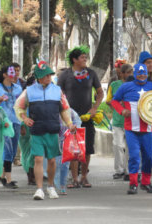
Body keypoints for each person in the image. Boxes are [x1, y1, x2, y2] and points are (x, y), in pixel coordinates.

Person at [14, 61, 76, 200]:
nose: (48, 78)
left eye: (49, 75)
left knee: (52, 160)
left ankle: (51, 186)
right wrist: (24, 118)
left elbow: (65, 109)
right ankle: (39, 189)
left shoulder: (57, 91)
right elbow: (18, 106)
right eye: (45, 76)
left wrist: (70, 123)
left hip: (53, 130)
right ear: (38, 77)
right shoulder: (29, 91)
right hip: (36, 130)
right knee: (38, 159)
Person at [111, 63, 152, 195]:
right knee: (133, 157)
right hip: (131, 129)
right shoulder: (126, 87)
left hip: (148, 129)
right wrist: (122, 111)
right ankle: (133, 184)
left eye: (144, 73)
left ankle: (146, 182)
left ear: (147, 73)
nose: (142, 75)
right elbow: (114, 101)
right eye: (139, 73)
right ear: (134, 74)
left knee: (148, 158)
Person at [57, 45, 104, 188]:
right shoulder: (64, 75)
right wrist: (64, 111)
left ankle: (84, 176)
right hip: (70, 118)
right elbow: (59, 94)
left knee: (87, 148)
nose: (85, 60)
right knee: (73, 148)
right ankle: (74, 178)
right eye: (82, 57)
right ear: (74, 59)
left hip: (87, 116)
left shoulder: (91, 74)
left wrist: (95, 108)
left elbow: (100, 92)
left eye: (85, 57)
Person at [0, 66, 22, 189]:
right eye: (12, 72)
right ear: (5, 75)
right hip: (3, 123)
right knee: (7, 149)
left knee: (13, 149)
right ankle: (9, 179)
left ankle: (2, 175)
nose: (15, 74)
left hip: (16, 121)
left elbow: (22, 105)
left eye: (16, 72)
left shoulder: (18, 88)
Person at [106, 64, 133, 180]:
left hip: (131, 121)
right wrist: (117, 110)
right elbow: (109, 101)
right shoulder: (114, 85)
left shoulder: (135, 85)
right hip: (117, 121)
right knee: (117, 145)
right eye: (126, 72)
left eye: (130, 72)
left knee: (129, 147)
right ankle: (119, 170)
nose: (128, 75)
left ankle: (128, 171)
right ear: (120, 74)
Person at [54, 108, 82, 195]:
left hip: (66, 140)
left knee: (64, 165)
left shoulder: (69, 111)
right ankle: (52, 185)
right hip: (52, 139)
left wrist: (73, 129)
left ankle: (62, 186)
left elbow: (77, 122)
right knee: (53, 163)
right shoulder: (49, 109)